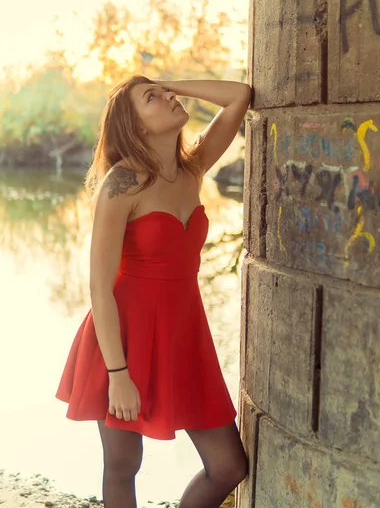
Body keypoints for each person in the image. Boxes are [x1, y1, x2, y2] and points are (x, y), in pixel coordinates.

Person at [56, 75, 251, 508]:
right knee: (124, 466)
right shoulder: (121, 184)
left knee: (228, 467)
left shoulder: (193, 168)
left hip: (185, 333)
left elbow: (239, 96)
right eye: (153, 98)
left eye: (166, 93)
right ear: (135, 124)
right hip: (124, 336)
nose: (169, 98)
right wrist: (118, 375)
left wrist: (165, 82)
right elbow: (99, 288)